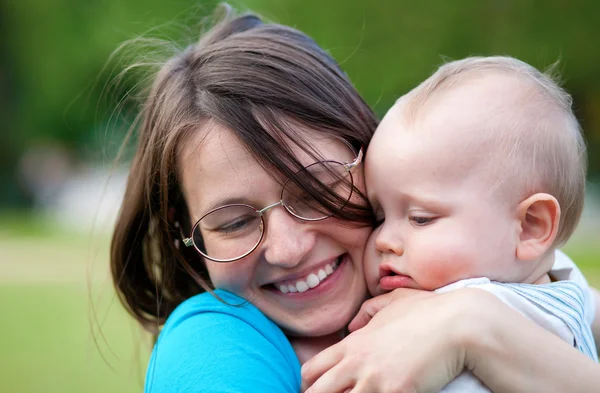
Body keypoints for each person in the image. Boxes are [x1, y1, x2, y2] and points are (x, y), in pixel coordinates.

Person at [109, 7, 600, 393]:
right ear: (188, 233)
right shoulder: (215, 347)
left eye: (316, 187)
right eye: (234, 222)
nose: (288, 248)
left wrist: (472, 322)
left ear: (365, 157)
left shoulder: (515, 276)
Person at [360, 56, 598, 392]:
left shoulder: (480, 317)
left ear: (530, 227)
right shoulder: (562, 280)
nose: (384, 239)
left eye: (420, 218)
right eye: (379, 217)